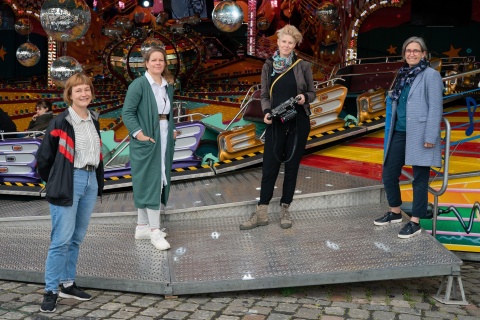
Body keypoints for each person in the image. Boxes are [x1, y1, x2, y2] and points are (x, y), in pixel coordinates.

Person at [36, 73, 104, 312]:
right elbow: (44, 157)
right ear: (69, 95)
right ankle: (51, 290)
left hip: (90, 179)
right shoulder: (60, 121)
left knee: (76, 238)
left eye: (87, 89)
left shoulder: (93, 119)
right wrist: (55, 180)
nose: (84, 94)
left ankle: (67, 283)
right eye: (78, 90)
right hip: (69, 180)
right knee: (61, 240)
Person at [240, 24, 315, 230]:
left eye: (290, 42)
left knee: (292, 166)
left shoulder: (303, 66)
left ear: (295, 44)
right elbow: (264, 95)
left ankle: (285, 209)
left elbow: (312, 93)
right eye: (283, 41)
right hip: (276, 122)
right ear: (278, 41)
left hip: (298, 121)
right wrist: (266, 112)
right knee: (270, 166)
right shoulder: (268, 65)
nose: (286, 45)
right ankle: (261, 211)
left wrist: (303, 98)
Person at [373, 36, 443, 239]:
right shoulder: (402, 74)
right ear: (404, 54)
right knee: (388, 173)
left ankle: (415, 222)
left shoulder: (431, 75)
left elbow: (436, 107)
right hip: (399, 131)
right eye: (408, 51)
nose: (412, 54)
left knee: (420, 179)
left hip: (421, 134)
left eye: (416, 50)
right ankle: (395, 212)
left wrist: (431, 135)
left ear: (423, 54)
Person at [122, 47, 177, 251]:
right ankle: (155, 231)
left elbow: (167, 114)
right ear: (146, 63)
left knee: (156, 177)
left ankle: (142, 227)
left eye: (161, 60)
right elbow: (127, 113)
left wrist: (170, 130)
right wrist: (139, 134)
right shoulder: (139, 84)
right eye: (153, 60)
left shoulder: (167, 86)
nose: (158, 63)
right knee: (150, 180)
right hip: (147, 140)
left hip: (162, 137)